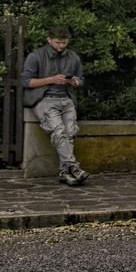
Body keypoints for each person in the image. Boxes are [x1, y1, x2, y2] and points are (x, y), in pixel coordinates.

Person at [22, 26, 88, 186]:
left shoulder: (73, 57)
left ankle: (65, 173)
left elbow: (81, 79)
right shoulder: (36, 56)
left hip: (66, 99)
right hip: (45, 100)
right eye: (58, 42)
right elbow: (26, 81)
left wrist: (76, 82)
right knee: (58, 132)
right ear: (49, 40)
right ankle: (73, 167)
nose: (61, 46)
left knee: (70, 133)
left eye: (64, 42)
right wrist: (51, 80)